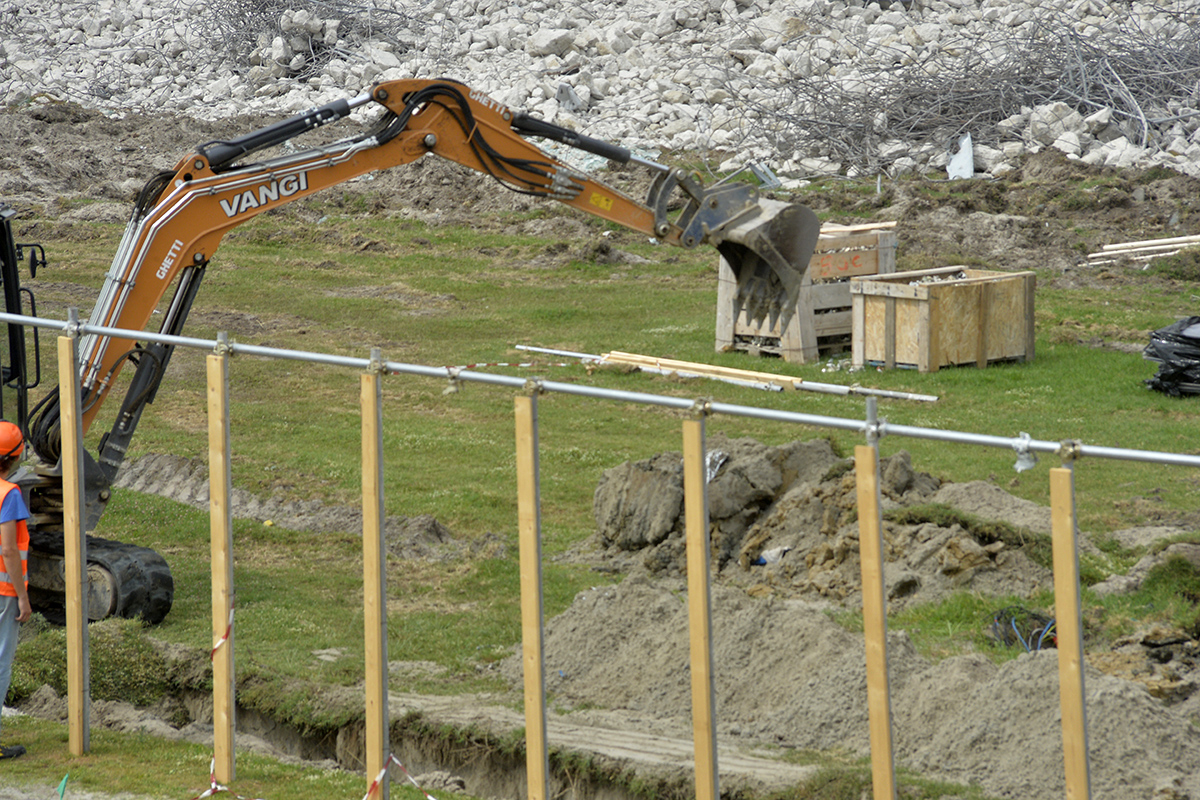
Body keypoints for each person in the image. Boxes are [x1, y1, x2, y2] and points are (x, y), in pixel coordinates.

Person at [0, 420, 29, 760]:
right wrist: (22, 596)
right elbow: (8, 550)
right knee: (1, 662)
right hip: (4, 591)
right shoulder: (9, 494)